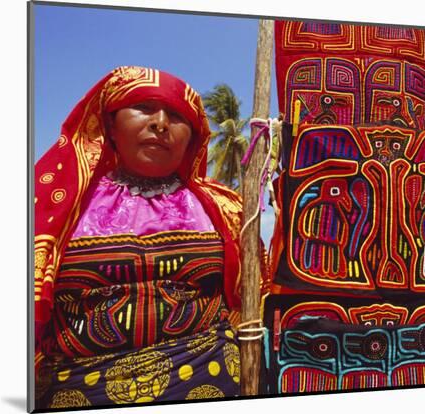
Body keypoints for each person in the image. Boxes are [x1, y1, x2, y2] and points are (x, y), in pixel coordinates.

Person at [34, 66, 260, 409]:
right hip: (78, 391)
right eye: (143, 108)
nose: (160, 123)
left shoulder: (226, 208)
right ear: (110, 123)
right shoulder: (53, 202)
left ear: (194, 135)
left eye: (176, 115)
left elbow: (256, 295)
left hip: (209, 384)